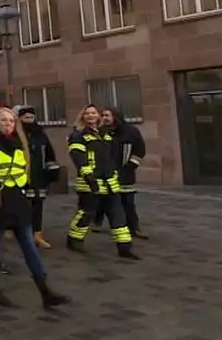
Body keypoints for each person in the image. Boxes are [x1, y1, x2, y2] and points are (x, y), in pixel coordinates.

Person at [0, 108, 70, 309]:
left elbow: (23, 173)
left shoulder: (19, 144)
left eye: (11, 121)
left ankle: (45, 291)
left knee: (29, 246)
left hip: (18, 201)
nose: (8, 124)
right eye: (3, 120)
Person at [66, 104, 140, 260]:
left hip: (110, 182)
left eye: (93, 113)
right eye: (87, 114)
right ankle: (74, 239)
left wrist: (117, 172)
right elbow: (78, 158)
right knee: (87, 213)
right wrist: (89, 177)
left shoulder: (106, 135)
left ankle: (124, 247)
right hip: (90, 182)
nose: (91, 116)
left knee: (117, 214)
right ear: (83, 117)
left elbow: (112, 157)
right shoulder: (78, 135)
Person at [13, 105, 59, 249]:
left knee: (37, 206)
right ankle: (18, 232)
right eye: (26, 118)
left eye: (32, 118)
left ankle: (37, 235)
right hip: (20, 177)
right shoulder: (15, 136)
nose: (29, 121)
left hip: (39, 176)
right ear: (20, 119)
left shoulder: (41, 135)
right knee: (20, 207)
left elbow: (49, 154)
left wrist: (52, 170)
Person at [99, 107, 147, 239]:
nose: (104, 118)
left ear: (115, 116)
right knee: (105, 201)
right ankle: (108, 225)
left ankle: (133, 228)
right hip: (106, 174)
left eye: (107, 115)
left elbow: (140, 150)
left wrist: (130, 166)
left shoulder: (130, 131)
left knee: (128, 203)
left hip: (125, 173)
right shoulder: (101, 132)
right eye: (102, 116)